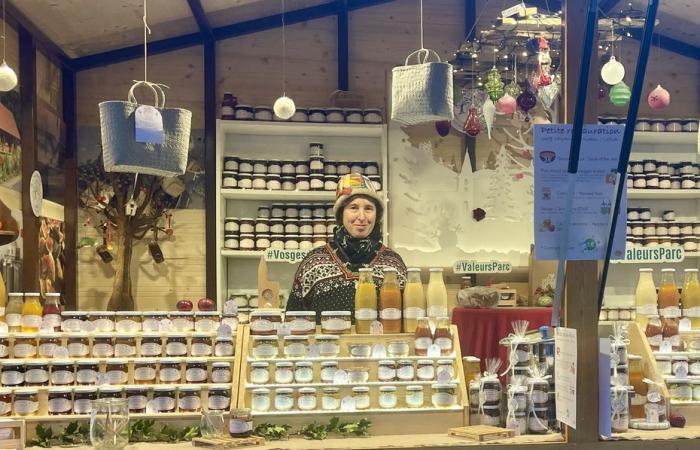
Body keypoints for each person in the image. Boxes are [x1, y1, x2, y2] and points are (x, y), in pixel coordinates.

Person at [285, 173, 407, 316]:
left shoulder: (393, 264)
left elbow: (411, 321)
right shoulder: (313, 263)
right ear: (341, 214)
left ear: (376, 215)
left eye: (368, 208)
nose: (361, 217)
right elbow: (293, 321)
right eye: (353, 207)